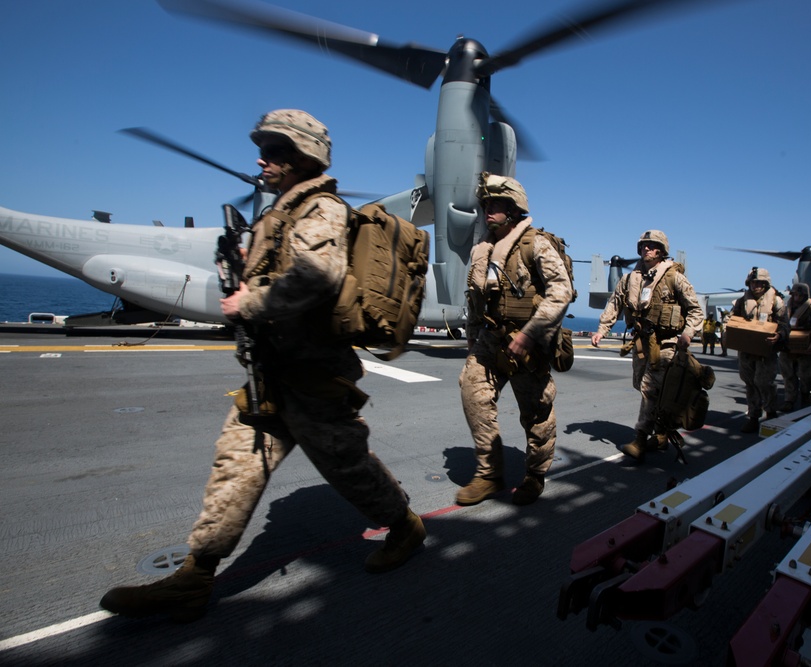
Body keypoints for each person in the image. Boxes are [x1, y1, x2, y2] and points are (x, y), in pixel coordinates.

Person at [100, 110, 426, 622]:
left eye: (274, 150)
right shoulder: (281, 213)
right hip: (271, 373)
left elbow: (319, 273)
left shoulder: (321, 208)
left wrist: (248, 304)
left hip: (315, 376)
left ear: (304, 156)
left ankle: (406, 527)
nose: (262, 159)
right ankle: (195, 577)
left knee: (349, 468)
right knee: (236, 466)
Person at [455, 173, 573, 506]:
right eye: (486, 204)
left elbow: (561, 291)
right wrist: (472, 342)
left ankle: (535, 475)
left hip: (529, 343)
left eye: (496, 204)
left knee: (536, 413)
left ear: (514, 208)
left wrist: (530, 333)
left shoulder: (534, 243)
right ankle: (489, 474)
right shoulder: (482, 251)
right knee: (472, 393)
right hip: (490, 341)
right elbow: (475, 303)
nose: (488, 210)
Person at [591, 230, 703, 462]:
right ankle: (661, 435)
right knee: (643, 386)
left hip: (666, 343)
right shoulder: (631, 278)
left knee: (649, 389)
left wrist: (689, 333)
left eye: (653, 246)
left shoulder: (674, 278)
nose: (647, 249)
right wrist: (602, 329)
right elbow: (615, 303)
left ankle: (640, 439)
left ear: (662, 251)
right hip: (641, 343)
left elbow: (695, 310)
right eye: (644, 245)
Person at [727, 267, 786, 434]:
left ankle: (771, 414)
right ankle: (753, 416)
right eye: (753, 283)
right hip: (746, 351)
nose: (756, 286)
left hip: (766, 351)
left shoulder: (777, 302)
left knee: (765, 383)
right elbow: (731, 319)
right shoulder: (741, 301)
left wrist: (779, 335)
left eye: (760, 283)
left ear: (766, 284)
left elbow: (785, 324)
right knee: (750, 383)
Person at [777, 283, 811, 412]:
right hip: (787, 349)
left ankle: (805, 397)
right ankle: (789, 400)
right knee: (788, 376)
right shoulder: (784, 310)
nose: (797, 297)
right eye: (795, 294)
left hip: (806, 351)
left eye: (800, 295)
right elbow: (778, 325)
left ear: (805, 296)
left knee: (806, 377)